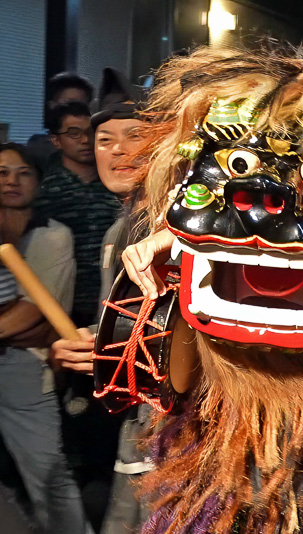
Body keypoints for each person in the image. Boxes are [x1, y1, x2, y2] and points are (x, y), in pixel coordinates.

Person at [49, 68, 152, 534]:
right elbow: (120, 320)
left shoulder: (173, 226)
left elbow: (191, 324)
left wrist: (107, 347)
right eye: (105, 139)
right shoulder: (120, 225)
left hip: (173, 424)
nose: (118, 151)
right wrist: (91, 341)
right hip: (135, 419)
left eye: (134, 136)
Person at [0, 143, 84, 534]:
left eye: (23, 173)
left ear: (38, 180)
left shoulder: (53, 235)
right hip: (19, 352)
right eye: (1, 172)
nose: (11, 181)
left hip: (31, 366)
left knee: (48, 471)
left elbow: (41, 315)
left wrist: (26, 321)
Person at [37, 101, 121, 328]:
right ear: (56, 140)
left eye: (91, 132)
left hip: (111, 298)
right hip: (58, 300)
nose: (85, 140)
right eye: (74, 133)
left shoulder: (118, 184)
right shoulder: (42, 189)